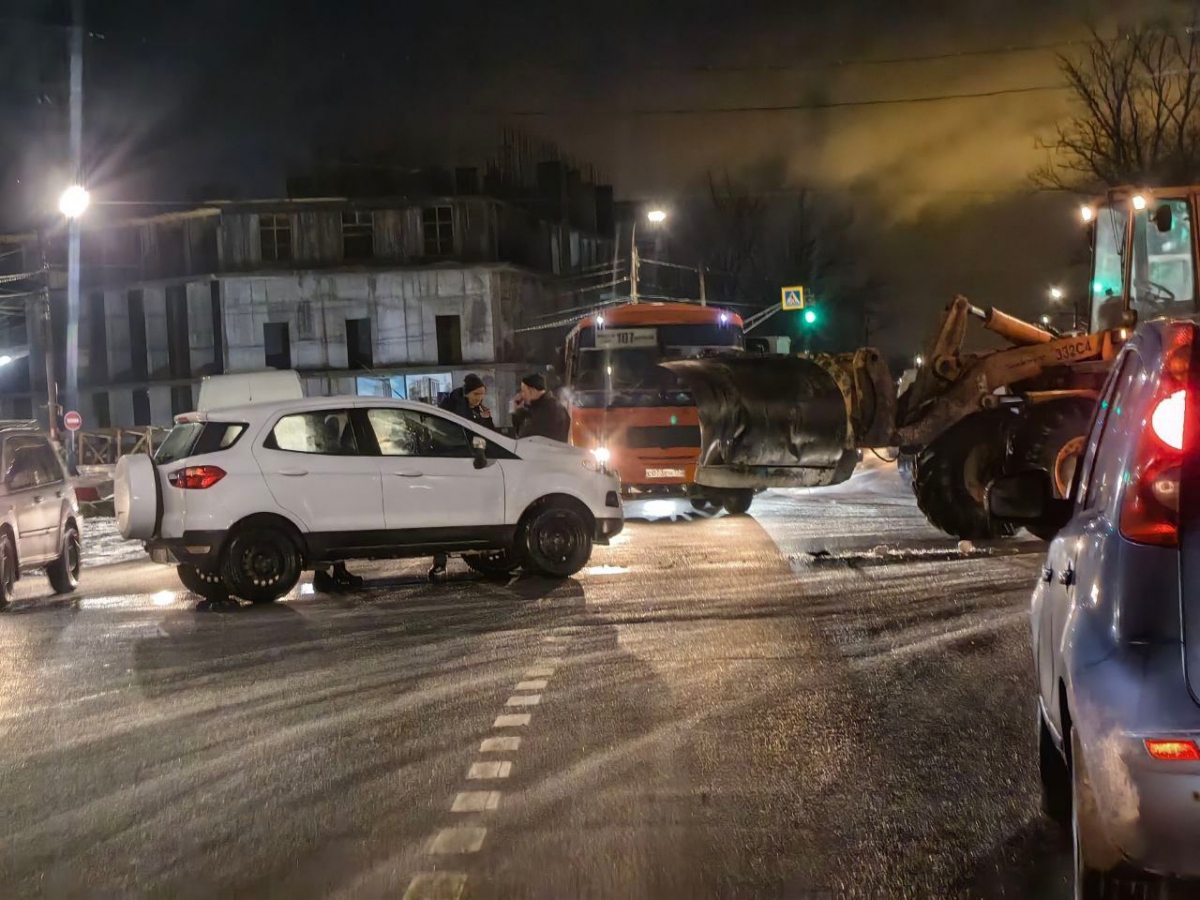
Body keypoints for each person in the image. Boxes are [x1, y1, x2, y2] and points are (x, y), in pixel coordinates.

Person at [429, 374, 495, 583]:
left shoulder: (478, 410)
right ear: (467, 393)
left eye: (483, 394)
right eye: (476, 394)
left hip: (472, 468)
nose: (479, 398)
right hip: (454, 467)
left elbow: (488, 434)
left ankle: (478, 555)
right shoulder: (454, 408)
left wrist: (486, 419)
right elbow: (462, 436)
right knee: (448, 514)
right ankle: (440, 561)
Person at [511, 373, 570, 442]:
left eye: (524, 391)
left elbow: (525, 438)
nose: (521, 395)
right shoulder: (553, 406)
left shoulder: (546, 412)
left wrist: (517, 412)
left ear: (532, 391)